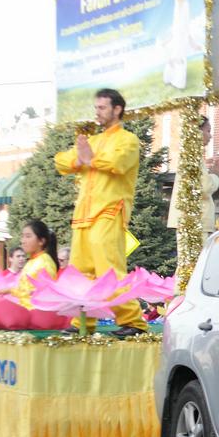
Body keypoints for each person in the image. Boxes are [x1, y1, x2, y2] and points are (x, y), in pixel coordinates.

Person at [54, 88, 148, 338]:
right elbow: (61, 161)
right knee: (80, 271)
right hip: (84, 214)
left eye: (102, 107)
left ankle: (133, 321)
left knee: (109, 269)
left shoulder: (127, 139)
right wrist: (80, 160)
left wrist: (90, 160)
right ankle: (82, 323)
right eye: (96, 107)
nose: (97, 112)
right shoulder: (92, 141)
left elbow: (118, 163)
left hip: (109, 210)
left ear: (117, 109)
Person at [0, 220, 59, 309]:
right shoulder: (31, 262)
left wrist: (11, 290)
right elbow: (26, 289)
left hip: (35, 314)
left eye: (28, 236)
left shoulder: (45, 262)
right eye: (22, 236)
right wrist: (8, 290)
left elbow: (44, 294)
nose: (23, 241)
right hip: (24, 310)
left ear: (41, 241)